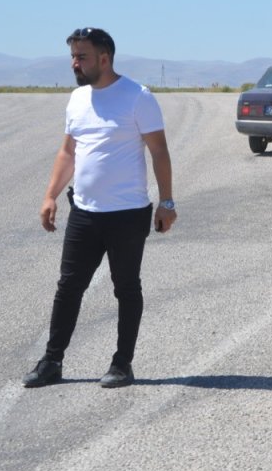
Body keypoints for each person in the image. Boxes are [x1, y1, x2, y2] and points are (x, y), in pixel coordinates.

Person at [22, 27, 178, 388]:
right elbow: (68, 152)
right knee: (68, 287)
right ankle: (52, 361)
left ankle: (122, 364)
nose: (75, 63)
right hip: (85, 213)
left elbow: (159, 151)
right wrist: (50, 196)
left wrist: (167, 202)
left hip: (127, 214)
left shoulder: (137, 97)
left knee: (126, 288)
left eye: (82, 56)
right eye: (73, 56)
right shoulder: (77, 99)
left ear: (104, 58)